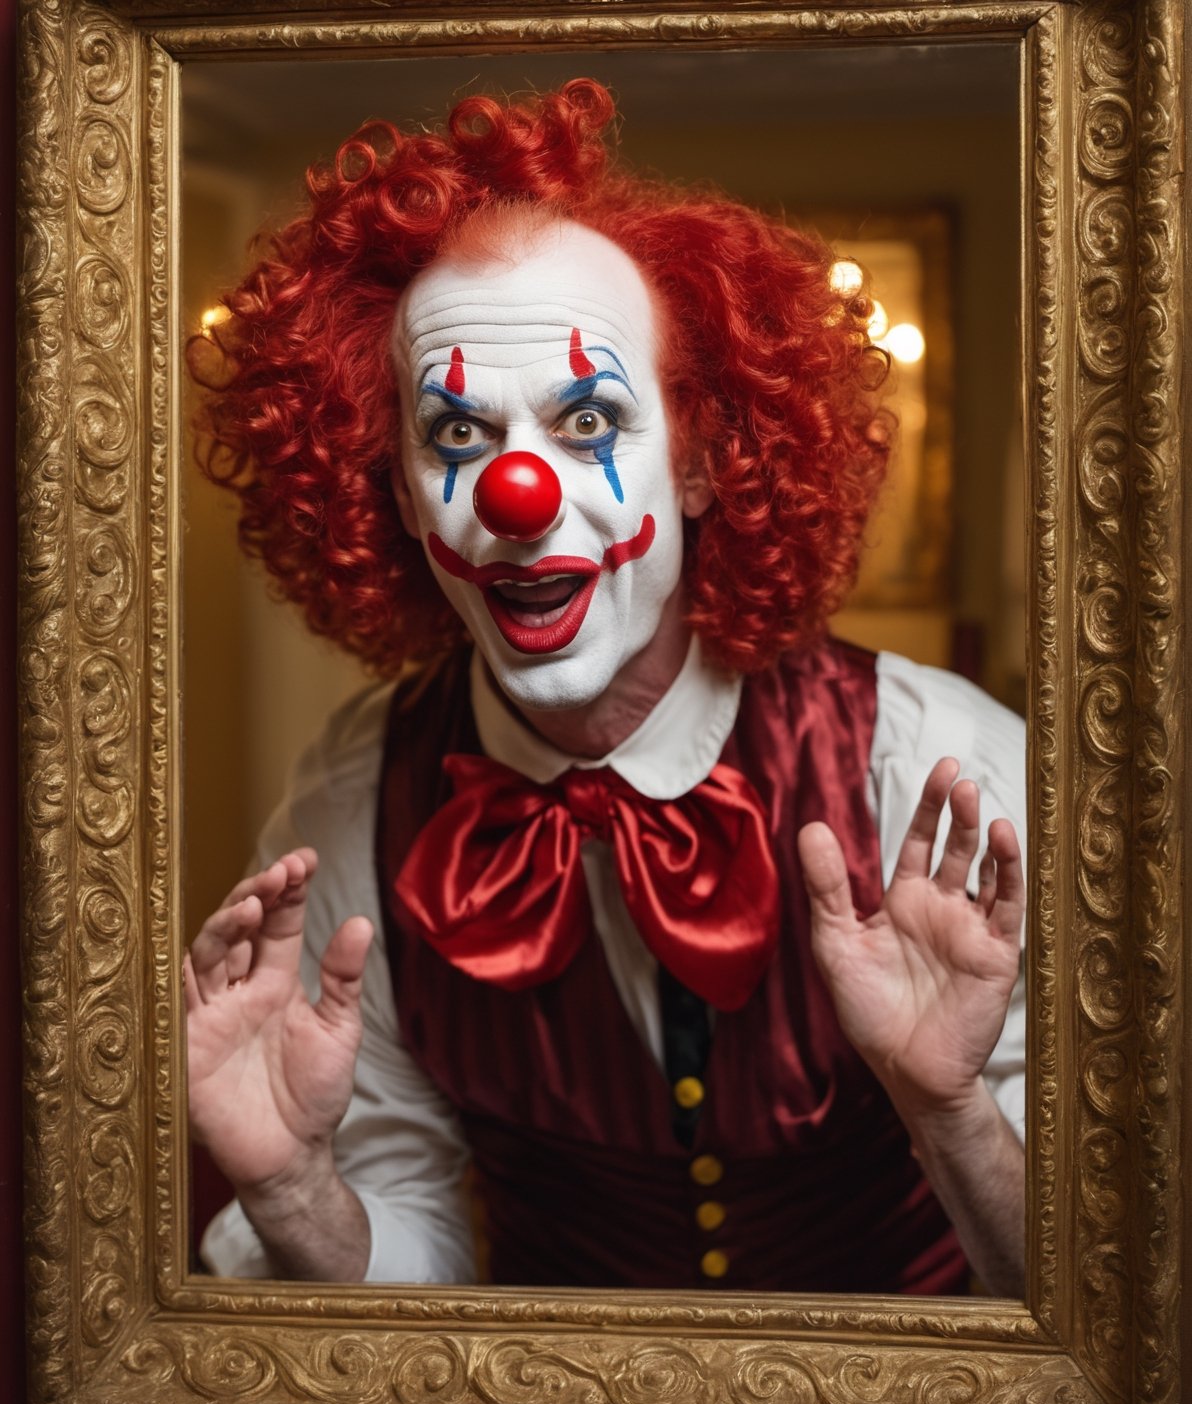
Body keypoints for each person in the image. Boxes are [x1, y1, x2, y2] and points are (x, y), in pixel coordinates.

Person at [186, 80, 1027, 1297]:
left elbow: (1115, 1333)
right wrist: (290, 1189)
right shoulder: (352, 805)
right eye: (459, 438)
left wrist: (946, 1108)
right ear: (401, 498)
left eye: (588, 419)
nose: (517, 501)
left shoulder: (940, 767)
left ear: (699, 460)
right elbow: (412, 1275)